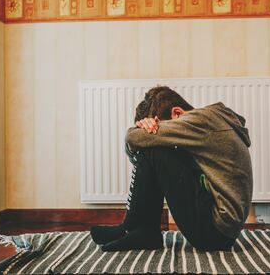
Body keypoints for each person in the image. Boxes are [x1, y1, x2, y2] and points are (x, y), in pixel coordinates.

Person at [90, 86, 253, 252]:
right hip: (221, 229)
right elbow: (139, 154)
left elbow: (133, 137)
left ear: (177, 114)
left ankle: (138, 230)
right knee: (155, 148)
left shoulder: (202, 120)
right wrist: (145, 137)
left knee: (155, 149)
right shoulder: (210, 122)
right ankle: (135, 228)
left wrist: (141, 132)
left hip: (215, 232)